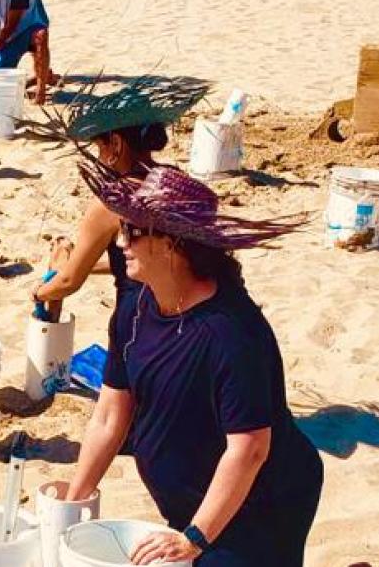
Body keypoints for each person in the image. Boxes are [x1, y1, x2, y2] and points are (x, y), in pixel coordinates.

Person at [63, 163, 320, 566]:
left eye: (132, 230)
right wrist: (74, 501)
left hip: (262, 504)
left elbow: (250, 449)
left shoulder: (232, 334)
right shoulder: (135, 306)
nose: (121, 240)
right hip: (192, 503)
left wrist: (195, 538)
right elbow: (111, 414)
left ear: (171, 244)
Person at [28, 75, 211, 312]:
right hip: (186, 304)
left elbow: (68, 281)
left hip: (141, 313)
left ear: (115, 144)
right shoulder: (174, 181)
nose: (99, 157)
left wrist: (37, 293)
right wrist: (90, 263)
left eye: (99, 147)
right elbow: (154, 255)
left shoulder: (113, 202)